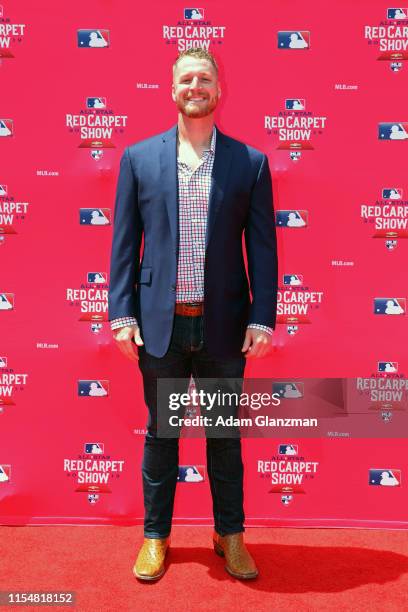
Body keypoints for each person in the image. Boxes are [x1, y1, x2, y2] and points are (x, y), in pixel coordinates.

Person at [108, 47, 278, 581]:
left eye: (204, 78)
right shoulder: (139, 159)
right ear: (172, 88)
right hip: (162, 325)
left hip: (224, 326)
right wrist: (121, 315)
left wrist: (262, 318)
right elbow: (123, 245)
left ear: (219, 89)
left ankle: (230, 534)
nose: (195, 86)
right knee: (162, 435)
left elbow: (264, 249)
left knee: (224, 436)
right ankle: (156, 537)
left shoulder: (248, 163)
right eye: (186, 79)